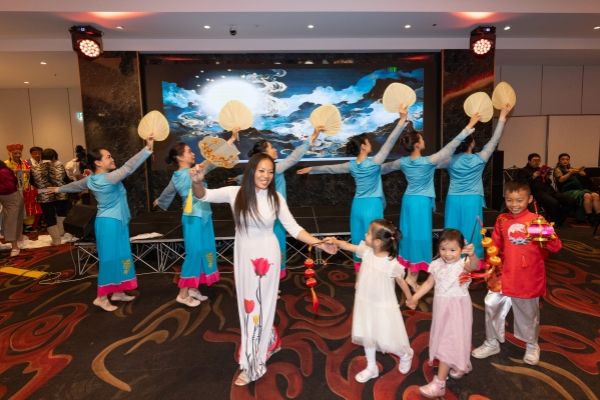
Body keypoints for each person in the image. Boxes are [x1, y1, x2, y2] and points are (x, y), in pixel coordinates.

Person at [190, 153, 337, 386]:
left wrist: (319, 244)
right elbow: (203, 195)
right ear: (251, 171)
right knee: (251, 306)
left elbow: (294, 229)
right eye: (261, 170)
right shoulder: (235, 193)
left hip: (266, 259)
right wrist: (197, 182)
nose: (266, 176)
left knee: (255, 309)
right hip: (243, 257)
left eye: (270, 172)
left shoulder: (276, 198)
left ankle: (254, 365)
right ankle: (270, 340)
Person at [52, 136, 154, 312]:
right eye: (108, 157)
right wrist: (147, 149)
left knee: (121, 256)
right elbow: (128, 167)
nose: (112, 159)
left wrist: (59, 189)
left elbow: (76, 185)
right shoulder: (108, 178)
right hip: (110, 224)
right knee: (109, 260)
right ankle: (101, 297)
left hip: (116, 222)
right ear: (98, 163)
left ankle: (118, 291)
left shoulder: (92, 179)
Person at [297, 108, 409, 269]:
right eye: (368, 142)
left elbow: (330, 169)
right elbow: (390, 142)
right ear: (363, 146)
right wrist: (401, 121)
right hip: (372, 205)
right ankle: (375, 272)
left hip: (357, 206)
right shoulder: (375, 161)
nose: (370, 144)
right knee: (376, 243)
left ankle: (360, 274)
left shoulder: (351, 165)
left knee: (358, 242)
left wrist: (312, 169)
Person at [380, 114, 480, 290]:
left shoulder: (402, 162)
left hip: (409, 201)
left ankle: (410, 273)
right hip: (420, 203)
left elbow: (382, 169)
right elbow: (452, 146)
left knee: (409, 236)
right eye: (422, 138)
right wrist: (469, 126)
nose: (424, 140)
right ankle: (412, 277)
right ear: (417, 144)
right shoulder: (428, 161)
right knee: (419, 237)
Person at [471, 181, 562, 366]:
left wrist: (544, 234)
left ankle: (532, 345)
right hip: (503, 274)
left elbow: (556, 246)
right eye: (509, 200)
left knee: (528, 313)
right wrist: (490, 263)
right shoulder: (502, 219)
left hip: (527, 277)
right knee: (491, 304)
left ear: (529, 199)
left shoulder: (537, 220)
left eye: (519, 200)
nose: (514, 204)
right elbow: (496, 245)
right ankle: (491, 342)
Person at [154, 131, 238, 307]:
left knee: (204, 250)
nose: (193, 154)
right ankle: (183, 294)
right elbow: (213, 160)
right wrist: (230, 140)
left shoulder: (180, 175)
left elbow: (168, 192)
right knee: (194, 254)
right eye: (189, 151)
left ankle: (193, 287)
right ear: (179, 157)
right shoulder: (191, 172)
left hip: (204, 215)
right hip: (193, 218)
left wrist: (159, 201)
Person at [325, 219, 414, 383]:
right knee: (368, 334)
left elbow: (402, 282)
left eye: (368, 233)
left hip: (383, 306)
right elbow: (348, 246)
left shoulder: (391, 264)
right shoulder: (367, 251)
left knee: (388, 338)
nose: (365, 234)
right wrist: (335, 241)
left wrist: (410, 299)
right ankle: (371, 366)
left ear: (378, 242)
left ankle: (405, 354)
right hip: (365, 302)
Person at [240, 126, 324, 277]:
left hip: (267, 214)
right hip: (274, 216)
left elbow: (243, 178)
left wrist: (236, 178)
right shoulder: (276, 168)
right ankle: (270, 277)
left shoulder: (259, 170)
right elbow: (294, 157)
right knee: (275, 247)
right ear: (265, 154)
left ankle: (266, 276)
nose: (275, 150)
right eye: (272, 148)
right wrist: (312, 137)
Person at [406, 229, 479, 398]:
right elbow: (429, 283)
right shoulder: (437, 264)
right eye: (443, 249)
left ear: (461, 249)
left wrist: (473, 254)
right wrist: (415, 297)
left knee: (448, 340)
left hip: (457, 309)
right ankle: (460, 363)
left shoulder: (463, 264)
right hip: (441, 308)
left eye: (453, 250)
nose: (447, 254)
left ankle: (439, 384)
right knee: (449, 337)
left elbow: (474, 266)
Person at [444, 105, 512, 259]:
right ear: (472, 143)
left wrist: (469, 126)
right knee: (472, 230)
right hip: (472, 199)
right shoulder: (480, 158)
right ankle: (472, 260)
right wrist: (502, 117)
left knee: (451, 230)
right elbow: (494, 140)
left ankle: (451, 258)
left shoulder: (448, 160)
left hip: (453, 198)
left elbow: (450, 147)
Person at [515, 153, 575, 227]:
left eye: (538, 160)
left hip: (549, 190)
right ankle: (556, 221)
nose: (537, 162)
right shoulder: (523, 171)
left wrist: (546, 177)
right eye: (534, 160)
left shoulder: (540, 169)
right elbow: (522, 184)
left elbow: (548, 182)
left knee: (570, 200)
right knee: (554, 202)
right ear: (529, 161)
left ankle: (559, 220)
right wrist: (533, 176)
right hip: (536, 192)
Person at [30, 148, 71, 245]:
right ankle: (61, 233)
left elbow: (32, 182)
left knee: (49, 217)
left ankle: (56, 240)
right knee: (61, 213)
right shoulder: (60, 166)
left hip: (44, 195)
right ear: (53, 157)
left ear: (41, 157)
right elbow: (66, 180)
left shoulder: (34, 168)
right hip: (61, 194)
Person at [553, 153, 600, 224]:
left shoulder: (572, 169)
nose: (565, 161)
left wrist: (580, 172)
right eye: (563, 159)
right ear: (559, 161)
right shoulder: (557, 169)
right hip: (566, 191)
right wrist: (570, 173)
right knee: (587, 195)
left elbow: (583, 174)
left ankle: (598, 216)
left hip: (578, 190)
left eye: (567, 159)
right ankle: (590, 217)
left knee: (595, 195)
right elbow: (561, 180)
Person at [5, 143, 42, 232]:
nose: (18, 155)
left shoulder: (25, 163)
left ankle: (28, 225)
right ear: (10, 154)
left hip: (26, 189)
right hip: (12, 191)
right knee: (15, 209)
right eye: (15, 153)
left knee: (28, 207)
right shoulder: (6, 164)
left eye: (19, 153)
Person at [0, 161, 24, 257]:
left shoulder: (3, 172)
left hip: (11, 198)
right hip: (9, 198)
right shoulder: (4, 170)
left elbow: (9, 187)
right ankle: (17, 241)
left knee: (11, 222)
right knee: (13, 220)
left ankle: (15, 247)